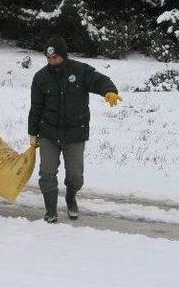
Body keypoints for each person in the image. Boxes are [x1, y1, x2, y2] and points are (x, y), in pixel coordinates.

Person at [28, 36, 121, 223]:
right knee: (47, 174)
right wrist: (32, 133)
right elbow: (35, 107)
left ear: (63, 55)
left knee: (75, 177)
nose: (52, 62)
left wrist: (109, 91)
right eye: (49, 58)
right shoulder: (40, 77)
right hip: (49, 134)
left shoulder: (80, 71)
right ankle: (51, 210)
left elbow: (100, 81)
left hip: (75, 134)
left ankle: (71, 197)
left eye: (55, 58)